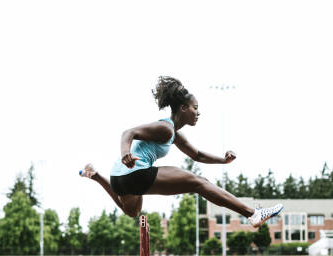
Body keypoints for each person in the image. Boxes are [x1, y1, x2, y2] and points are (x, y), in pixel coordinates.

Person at [80, 76, 284, 228]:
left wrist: (223, 160)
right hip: (133, 171)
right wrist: (126, 152)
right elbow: (128, 132)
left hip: (118, 178)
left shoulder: (175, 135)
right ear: (184, 108)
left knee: (132, 212)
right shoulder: (166, 128)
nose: (198, 113)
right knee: (199, 183)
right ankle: (252, 214)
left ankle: (97, 177)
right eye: (196, 108)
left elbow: (198, 155)